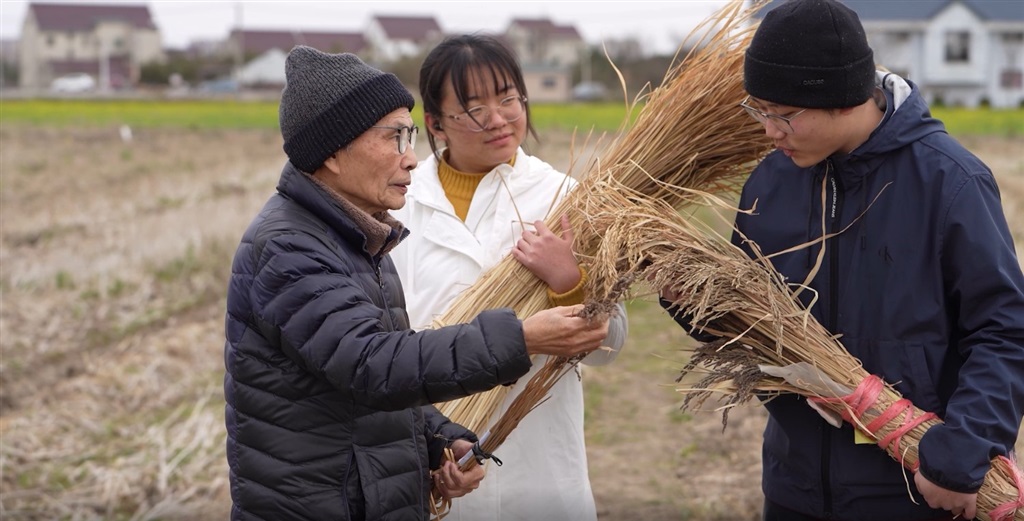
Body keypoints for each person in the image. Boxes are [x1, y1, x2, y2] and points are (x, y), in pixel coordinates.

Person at [661, 1, 1024, 520]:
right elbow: (752, 323)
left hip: (913, 491)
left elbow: (1004, 331)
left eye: (782, 114)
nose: (768, 131)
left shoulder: (949, 183)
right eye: (757, 110)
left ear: (843, 98)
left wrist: (962, 452)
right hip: (793, 489)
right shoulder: (770, 180)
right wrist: (689, 299)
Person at [223, 45, 610, 521]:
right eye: (395, 137)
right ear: (332, 153)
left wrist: (439, 442)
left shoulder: (364, 235)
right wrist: (524, 337)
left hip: (492, 470)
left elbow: (369, 378)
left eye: (509, 99)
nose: (410, 159)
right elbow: (373, 365)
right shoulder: (291, 248)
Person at [389, 34, 628, 521]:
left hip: (539, 459)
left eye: (508, 98)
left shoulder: (565, 196)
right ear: (434, 123)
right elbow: (381, 351)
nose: (498, 118)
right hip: (432, 453)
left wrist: (570, 281)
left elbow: (613, 344)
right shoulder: (399, 204)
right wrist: (433, 441)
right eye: (474, 108)